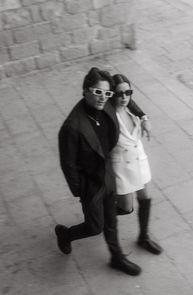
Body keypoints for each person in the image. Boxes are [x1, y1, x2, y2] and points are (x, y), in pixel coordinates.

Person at [55, 67, 150, 276]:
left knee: (111, 220)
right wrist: (81, 190)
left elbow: (128, 99)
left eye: (107, 93)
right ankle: (65, 234)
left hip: (108, 173)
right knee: (94, 227)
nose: (103, 98)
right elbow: (68, 164)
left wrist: (143, 116)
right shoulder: (72, 126)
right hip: (90, 182)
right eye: (97, 92)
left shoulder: (107, 103)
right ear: (85, 90)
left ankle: (117, 258)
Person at [110, 73, 163, 255]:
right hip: (121, 166)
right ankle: (99, 215)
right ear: (112, 94)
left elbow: (138, 109)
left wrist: (146, 119)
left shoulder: (130, 106)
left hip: (139, 160)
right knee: (125, 208)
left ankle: (144, 237)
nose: (124, 97)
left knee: (145, 198)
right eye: (119, 94)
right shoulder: (108, 115)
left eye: (128, 92)